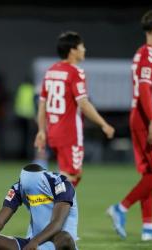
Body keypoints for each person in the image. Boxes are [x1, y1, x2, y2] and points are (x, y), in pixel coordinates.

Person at [107, 10, 152, 241]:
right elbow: (144, 90)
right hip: (145, 120)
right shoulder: (149, 54)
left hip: (146, 117)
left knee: (151, 173)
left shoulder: (148, 55)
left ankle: (148, 228)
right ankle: (121, 207)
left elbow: (151, 93)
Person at [34, 31, 115, 187]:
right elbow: (83, 104)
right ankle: (48, 206)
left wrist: (41, 130)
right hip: (69, 132)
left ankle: (55, 207)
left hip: (54, 131)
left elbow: (42, 103)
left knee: (71, 174)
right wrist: (103, 124)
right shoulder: (76, 72)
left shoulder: (51, 71)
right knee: (71, 176)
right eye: (81, 46)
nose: (84, 49)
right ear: (73, 50)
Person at [0, 163, 78, 250]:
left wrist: (35, 242)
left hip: (56, 243)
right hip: (32, 244)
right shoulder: (19, 187)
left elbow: (57, 223)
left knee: (64, 237)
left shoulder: (60, 183)